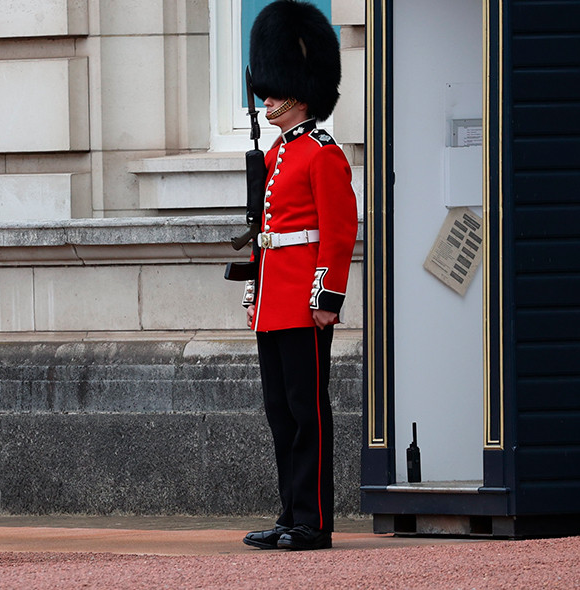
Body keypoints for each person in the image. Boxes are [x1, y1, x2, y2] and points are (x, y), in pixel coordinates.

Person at [239, 0, 358, 551]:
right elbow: (264, 233)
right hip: (274, 300)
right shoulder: (278, 154)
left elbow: (338, 232)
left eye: (275, 87)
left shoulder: (322, 154)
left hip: (305, 302)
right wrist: (253, 292)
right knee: (280, 414)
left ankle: (314, 521)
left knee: (307, 412)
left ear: (301, 88)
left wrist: (327, 296)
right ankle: (290, 514)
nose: (267, 97)